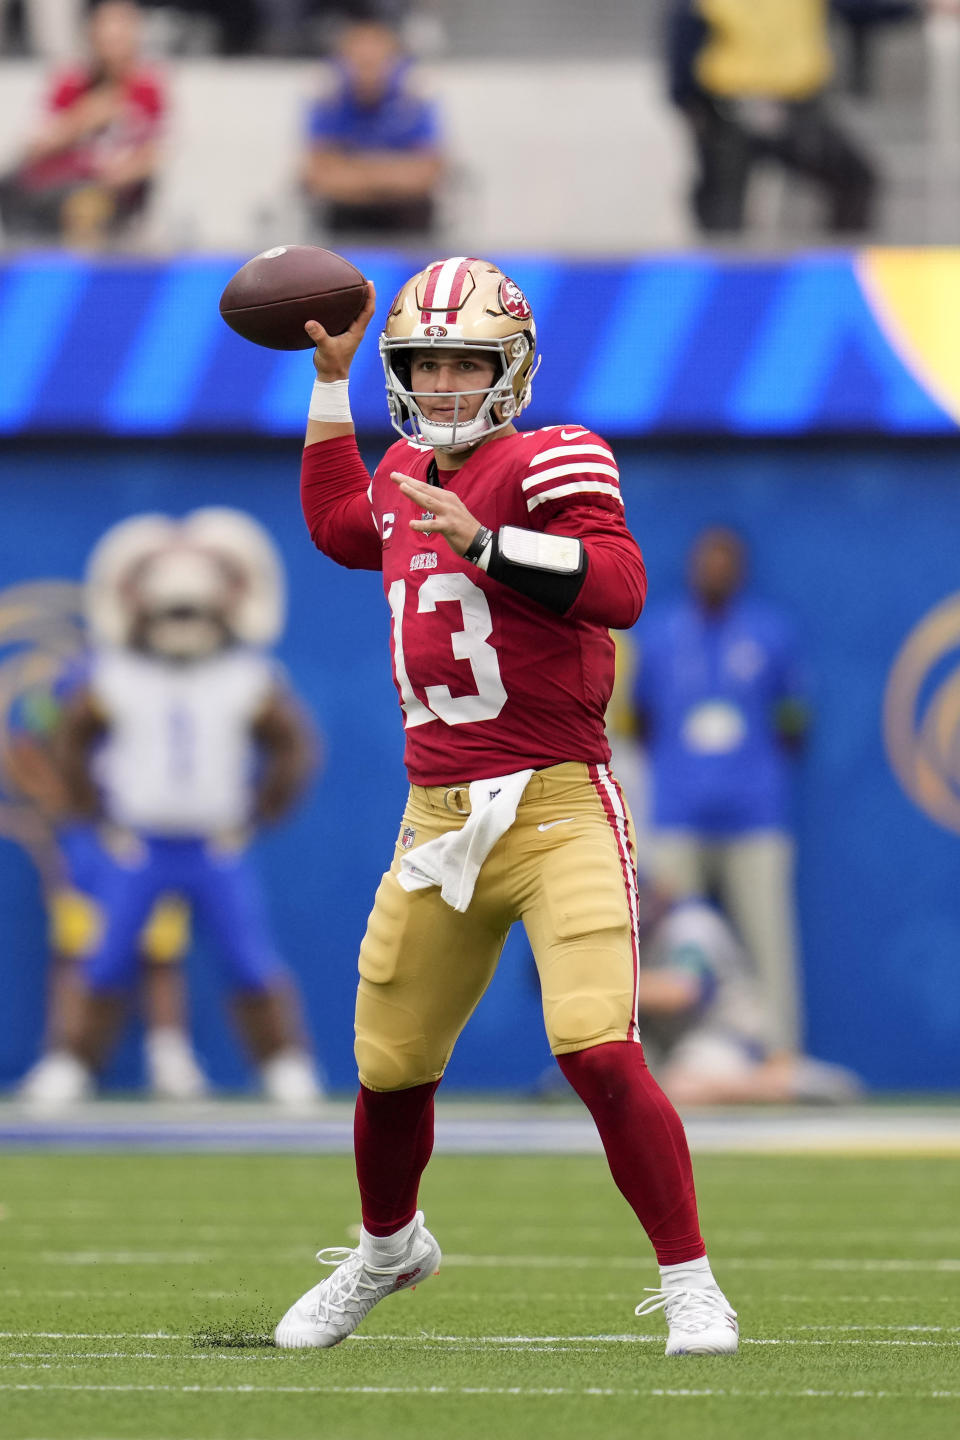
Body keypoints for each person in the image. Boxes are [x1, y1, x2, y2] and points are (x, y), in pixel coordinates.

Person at [273, 257, 739, 1358]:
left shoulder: (552, 457)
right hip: (436, 821)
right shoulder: (396, 472)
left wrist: (483, 543)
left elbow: (620, 587)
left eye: (461, 363)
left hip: (557, 806)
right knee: (389, 1068)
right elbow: (340, 523)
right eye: (423, 364)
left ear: (510, 370)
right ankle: (388, 1250)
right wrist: (329, 387)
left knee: (598, 1048)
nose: (439, 385)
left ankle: (691, 1283)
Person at [18, 508, 324, 1106]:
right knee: (104, 959)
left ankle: (285, 1065)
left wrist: (262, 809)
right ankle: (71, 1063)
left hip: (215, 843)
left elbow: (291, 747)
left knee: (250, 957)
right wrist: (92, 814)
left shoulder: (246, 674)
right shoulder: (113, 674)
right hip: (138, 842)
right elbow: (70, 743)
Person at [632, 526, 810, 1060]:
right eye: (705, 559)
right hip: (679, 813)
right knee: (664, 941)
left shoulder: (771, 634)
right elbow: (640, 722)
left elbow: (793, 719)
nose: (714, 570)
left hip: (755, 815)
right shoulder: (660, 636)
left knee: (769, 943)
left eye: (725, 561)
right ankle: (650, 1060)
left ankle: (783, 1060)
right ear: (690, 567)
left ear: (740, 570)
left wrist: (750, 767)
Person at [666, 0, 879, 235]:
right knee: (722, 207)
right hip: (729, 109)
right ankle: (726, 269)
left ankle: (838, 263)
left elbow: (859, 7)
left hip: (796, 105)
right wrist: (688, 102)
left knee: (854, 178)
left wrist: (912, 7)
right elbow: (683, 35)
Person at [633, 891, 862, 1106]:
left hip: (726, 1034)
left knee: (678, 1088)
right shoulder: (632, 932)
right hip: (674, 1041)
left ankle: (792, 1082)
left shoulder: (690, 924)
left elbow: (679, 992)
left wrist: (608, 987)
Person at [0, 0, 164, 248]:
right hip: (56, 184)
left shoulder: (147, 88)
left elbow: (154, 153)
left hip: (107, 192)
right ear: (92, 32)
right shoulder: (70, 83)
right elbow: (34, 146)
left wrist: (112, 175)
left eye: (122, 28)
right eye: (107, 27)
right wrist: (84, 119)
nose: (114, 36)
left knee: (85, 204)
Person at [301, 15, 444, 242]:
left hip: (405, 214)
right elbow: (319, 175)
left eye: (375, 61)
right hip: (344, 213)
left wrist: (355, 172)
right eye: (359, 61)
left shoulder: (416, 99)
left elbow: (427, 174)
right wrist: (394, 173)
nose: (367, 70)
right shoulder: (328, 100)